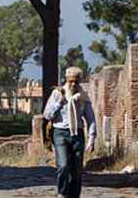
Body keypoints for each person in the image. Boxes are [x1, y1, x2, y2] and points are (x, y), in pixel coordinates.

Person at [44, 67, 96, 198]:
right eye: (71, 81)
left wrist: (91, 139)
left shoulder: (83, 96)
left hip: (77, 134)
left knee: (77, 169)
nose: (73, 84)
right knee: (63, 165)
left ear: (80, 81)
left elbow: (91, 119)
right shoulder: (57, 94)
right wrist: (58, 104)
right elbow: (47, 114)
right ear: (66, 80)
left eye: (77, 82)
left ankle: (74, 195)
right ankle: (62, 193)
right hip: (60, 133)